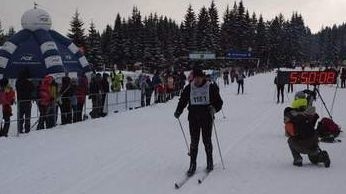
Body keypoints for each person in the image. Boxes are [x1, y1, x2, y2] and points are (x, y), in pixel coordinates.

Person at [174, 67, 223, 176]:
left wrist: (214, 109)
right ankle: (192, 164)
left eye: (198, 78)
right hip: (193, 118)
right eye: (195, 78)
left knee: (207, 141)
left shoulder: (210, 87)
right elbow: (183, 100)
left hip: (206, 118)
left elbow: (219, 102)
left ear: (202, 77)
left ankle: (209, 161)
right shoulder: (189, 88)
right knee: (194, 142)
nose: (196, 81)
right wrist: (178, 110)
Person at [284, 91, 330, 167]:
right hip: (313, 142)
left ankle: (297, 159)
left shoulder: (291, 114)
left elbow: (287, 130)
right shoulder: (311, 113)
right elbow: (308, 106)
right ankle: (322, 157)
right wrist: (310, 97)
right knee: (313, 159)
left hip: (301, 144)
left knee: (290, 140)